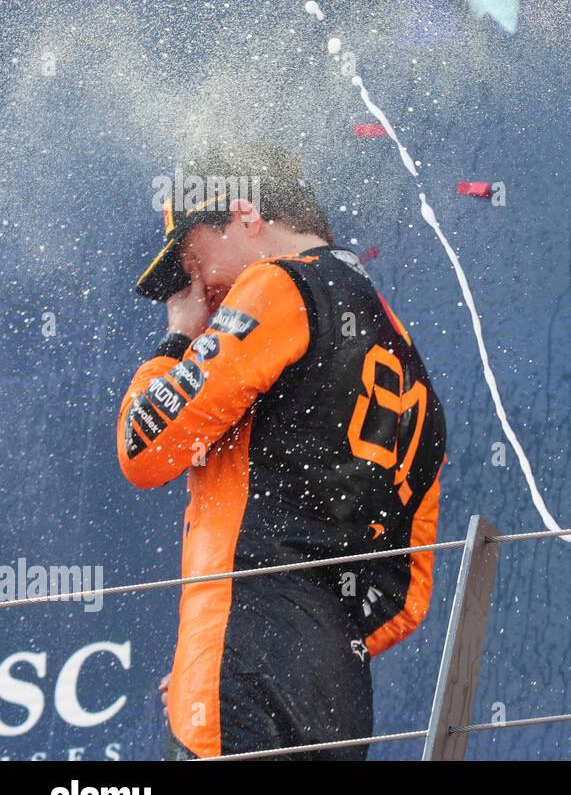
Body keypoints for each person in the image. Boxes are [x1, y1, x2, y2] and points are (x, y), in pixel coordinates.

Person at [117, 143, 446, 760]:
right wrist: (295, 649)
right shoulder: (406, 358)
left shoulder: (277, 283)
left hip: (244, 657)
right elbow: (407, 596)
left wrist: (175, 340)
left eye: (194, 260)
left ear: (245, 214)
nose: (200, 286)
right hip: (339, 695)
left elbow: (145, 446)